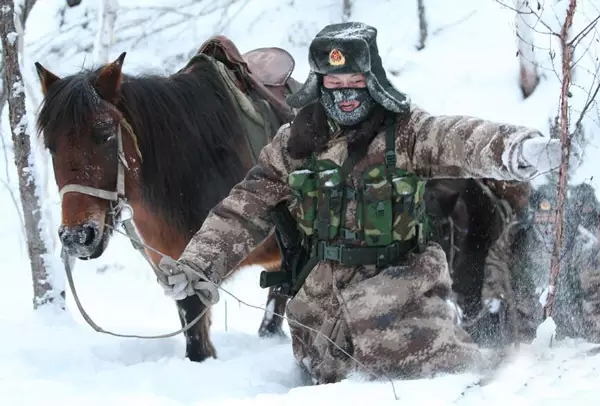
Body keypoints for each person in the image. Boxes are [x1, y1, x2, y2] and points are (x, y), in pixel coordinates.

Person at [157, 22, 581, 383]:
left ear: (373, 82)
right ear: (320, 85)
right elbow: (243, 208)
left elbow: (462, 138)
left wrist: (521, 151)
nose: (344, 93)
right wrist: (198, 265)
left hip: (407, 318)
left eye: (354, 83)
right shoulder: (294, 144)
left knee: (457, 384)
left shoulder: (408, 134)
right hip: (320, 328)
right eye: (334, 83)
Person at [482, 179, 600, 344]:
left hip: (569, 330)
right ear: (534, 214)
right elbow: (497, 259)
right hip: (523, 327)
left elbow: (594, 291)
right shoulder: (518, 235)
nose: (547, 219)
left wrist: (596, 335)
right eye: (542, 212)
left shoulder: (579, 242)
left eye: (554, 213)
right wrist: (493, 291)